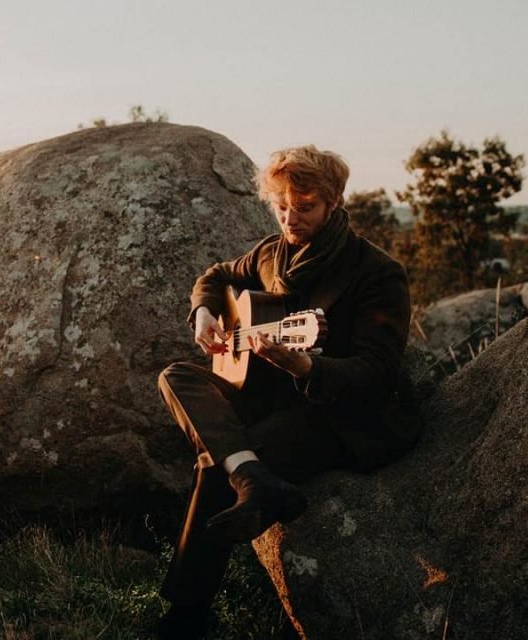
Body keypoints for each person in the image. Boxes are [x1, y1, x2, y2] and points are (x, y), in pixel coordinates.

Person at [155, 145, 420, 638]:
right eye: (281, 205)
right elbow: (214, 277)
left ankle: (186, 617)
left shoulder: (375, 272)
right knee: (176, 375)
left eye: (304, 206)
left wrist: (308, 368)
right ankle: (254, 476)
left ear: (334, 201)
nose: (289, 217)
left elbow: (378, 373)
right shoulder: (270, 255)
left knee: (216, 463)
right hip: (271, 393)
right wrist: (205, 313)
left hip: (338, 415)